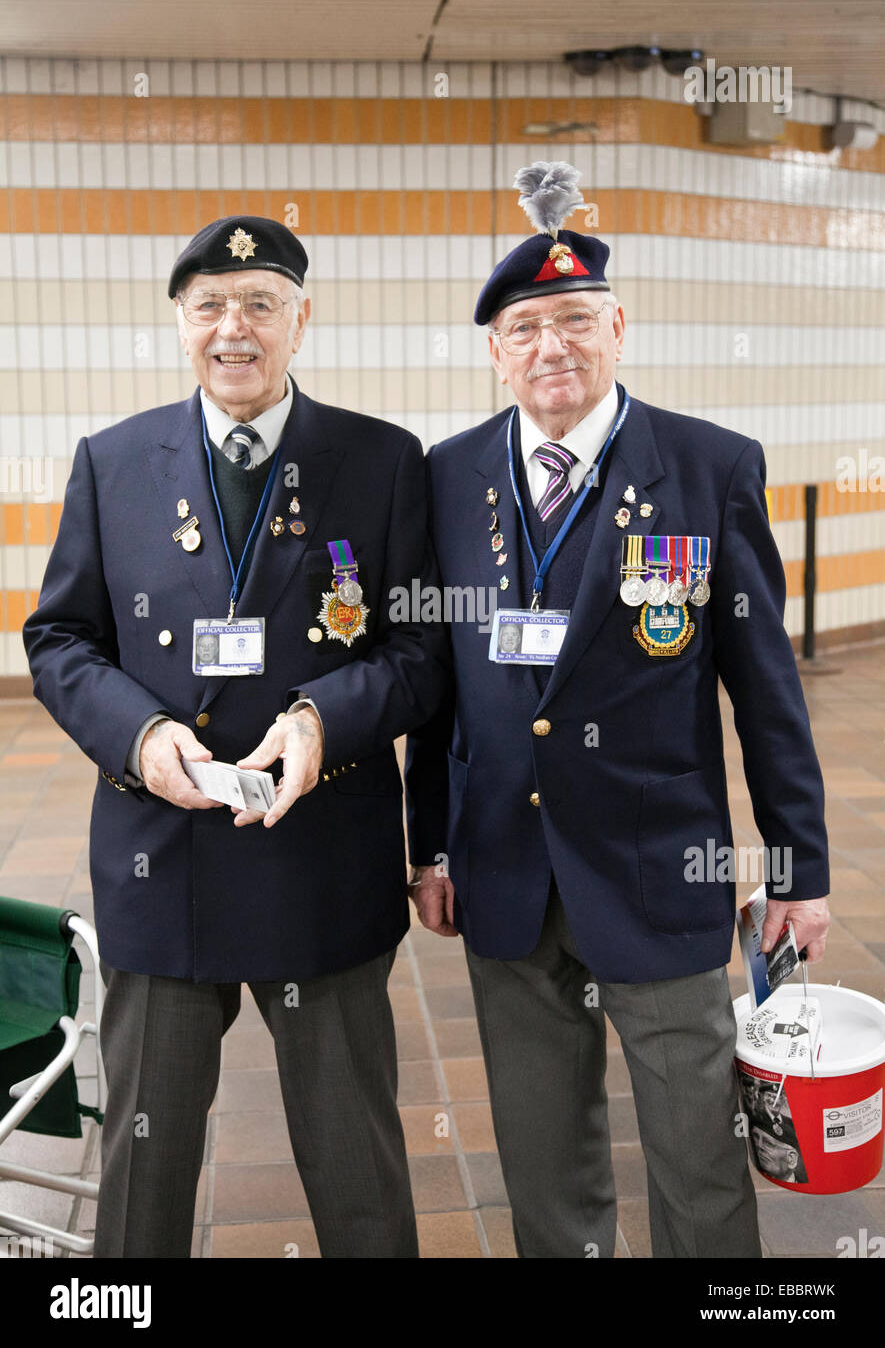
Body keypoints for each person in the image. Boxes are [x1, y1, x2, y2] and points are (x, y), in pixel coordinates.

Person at [405, 163, 830, 1258]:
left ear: (619, 328)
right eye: (526, 328)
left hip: (658, 864)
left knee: (694, 1146)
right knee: (543, 1151)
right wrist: (432, 844)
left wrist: (797, 865)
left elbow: (765, 690)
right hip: (503, 864)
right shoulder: (448, 477)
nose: (552, 347)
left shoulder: (707, 466)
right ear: (495, 351)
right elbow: (439, 686)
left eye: (575, 322)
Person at [23, 215, 447, 1258]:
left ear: (303, 319)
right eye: (210, 303)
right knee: (144, 1163)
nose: (234, 327)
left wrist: (319, 720)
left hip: (321, 854)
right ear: (179, 323)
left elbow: (419, 653)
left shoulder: (381, 461)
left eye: (260, 302)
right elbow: (61, 639)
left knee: (356, 1158)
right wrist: (143, 735)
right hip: (162, 859)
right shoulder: (113, 463)